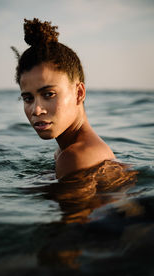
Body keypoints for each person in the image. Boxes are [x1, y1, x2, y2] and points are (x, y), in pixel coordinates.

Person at [11, 18, 116, 180]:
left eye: (49, 94)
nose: (36, 110)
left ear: (79, 93)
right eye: (28, 98)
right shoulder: (65, 153)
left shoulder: (74, 157)